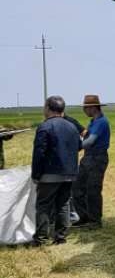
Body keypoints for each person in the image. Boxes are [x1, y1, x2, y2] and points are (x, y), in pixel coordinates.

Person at [30, 96, 81, 245]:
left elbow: (39, 153)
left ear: (48, 108)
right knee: (63, 205)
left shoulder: (45, 127)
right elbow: (79, 146)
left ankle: (41, 239)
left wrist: (36, 175)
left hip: (49, 173)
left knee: (44, 205)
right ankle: (60, 237)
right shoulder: (71, 126)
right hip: (70, 173)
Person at [71, 93, 110, 230]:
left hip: (97, 158)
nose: (84, 110)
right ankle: (84, 217)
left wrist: (76, 147)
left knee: (93, 189)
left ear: (93, 107)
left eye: (85, 108)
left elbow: (90, 141)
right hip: (88, 158)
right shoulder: (94, 122)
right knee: (77, 187)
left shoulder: (101, 122)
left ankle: (95, 221)